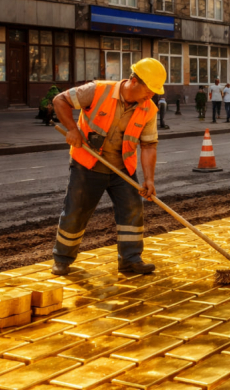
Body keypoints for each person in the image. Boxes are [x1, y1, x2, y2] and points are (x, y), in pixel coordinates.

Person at [49, 58, 166, 276]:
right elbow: (60, 101)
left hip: (123, 169)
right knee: (76, 211)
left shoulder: (148, 109)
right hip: (88, 164)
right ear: (134, 81)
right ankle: (62, 259)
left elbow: (149, 145)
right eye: (149, 89)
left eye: (154, 91)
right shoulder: (98, 90)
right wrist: (72, 130)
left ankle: (130, 260)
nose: (151, 95)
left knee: (132, 211)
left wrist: (149, 180)